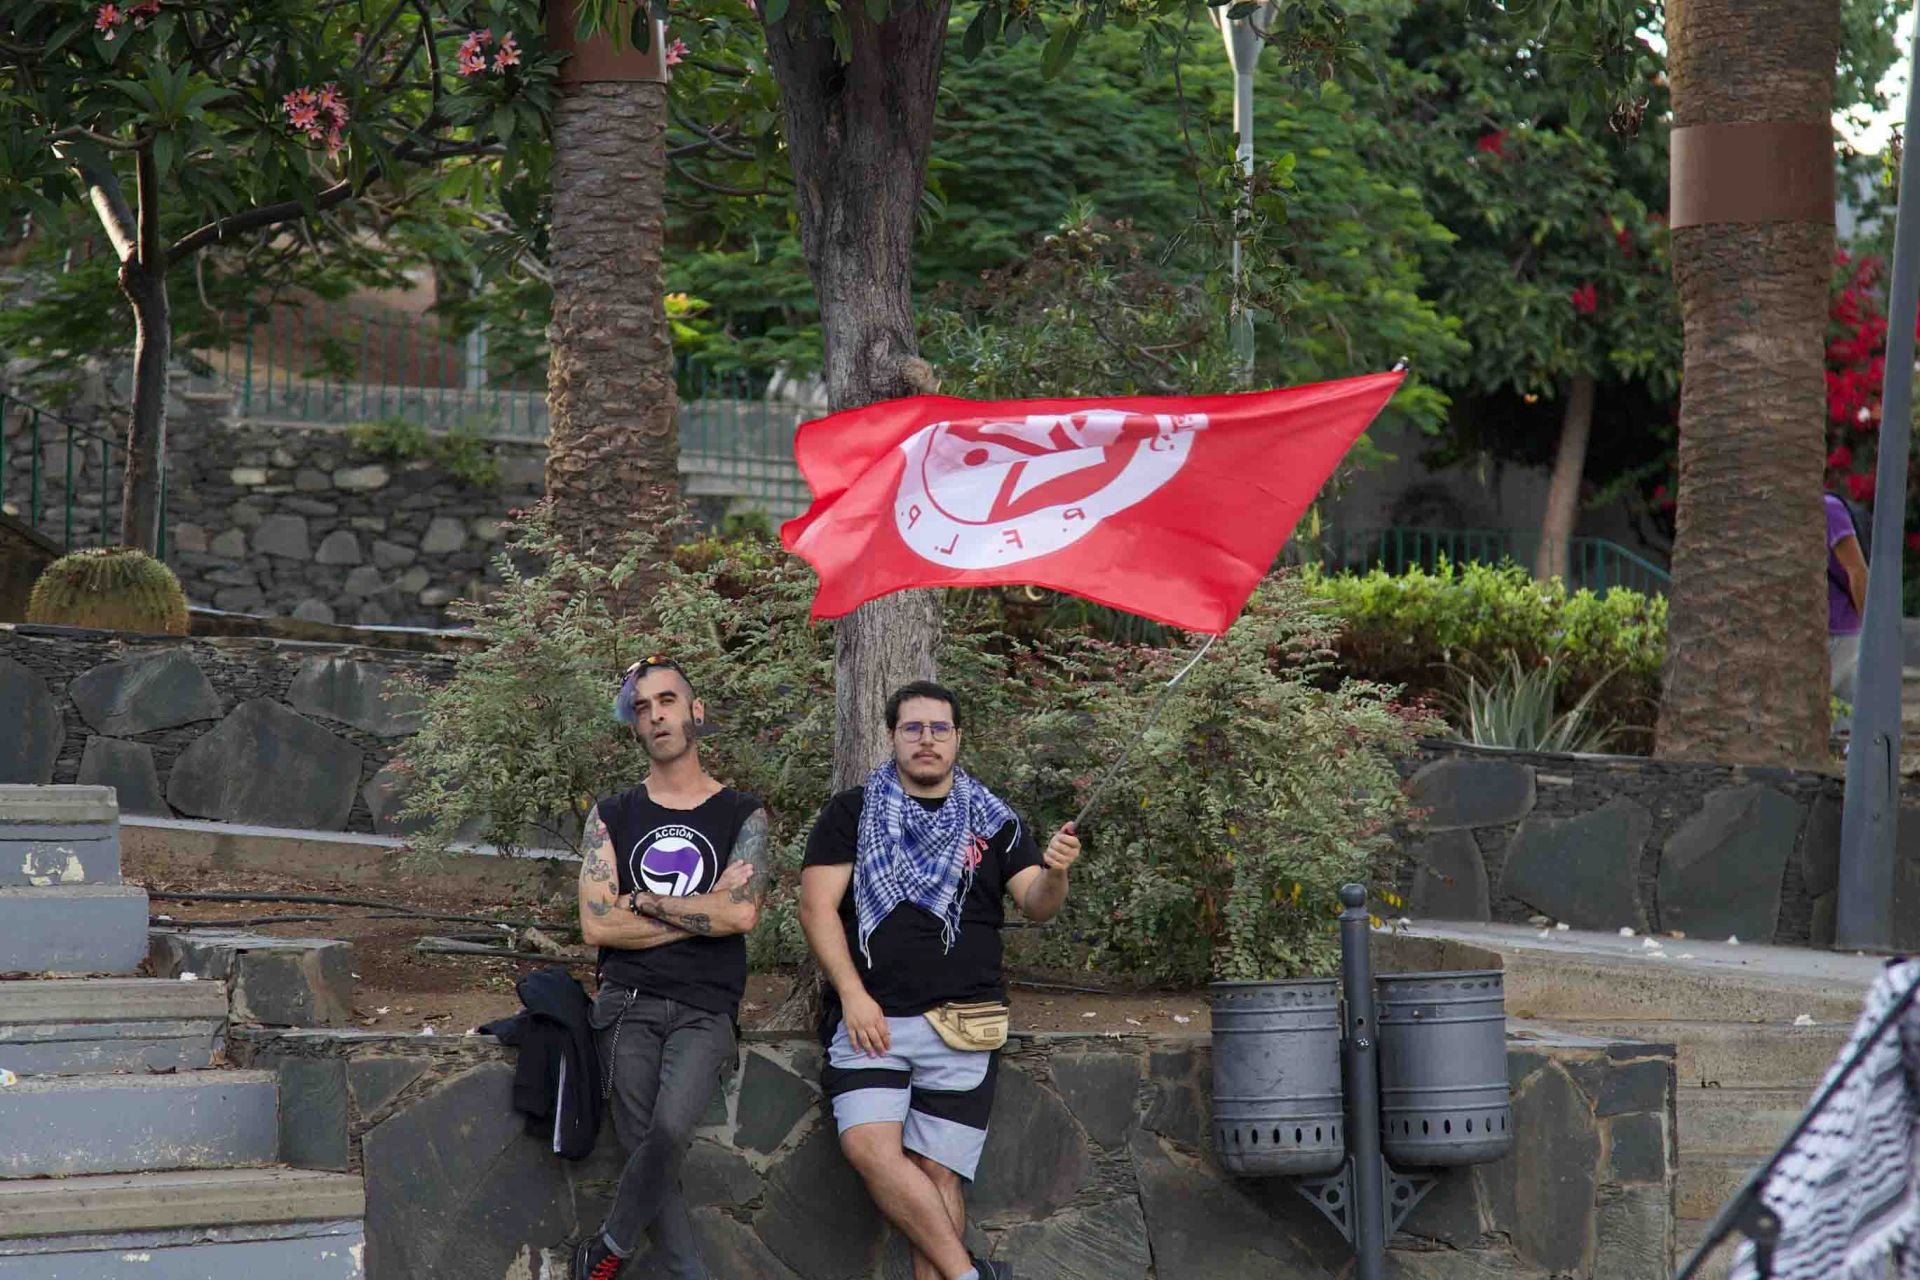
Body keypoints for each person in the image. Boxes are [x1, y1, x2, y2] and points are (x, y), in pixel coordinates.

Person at [799, 680, 1082, 1280]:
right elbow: (817, 908)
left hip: (965, 1023)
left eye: (939, 729)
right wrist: (853, 996)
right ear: (893, 736)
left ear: (957, 738)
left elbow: (1037, 903)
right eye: (913, 728)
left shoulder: (994, 819)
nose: (926, 740)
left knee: (937, 1176)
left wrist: (1055, 872)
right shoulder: (851, 812)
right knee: (869, 1147)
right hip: (872, 1020)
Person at [572, 656, 770, 1280]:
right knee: (642, 1146)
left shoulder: (743, 814)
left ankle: (608, 1246)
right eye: (641, 708)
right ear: (635, 726)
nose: (655, 715)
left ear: (695, 712)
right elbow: (597, 925)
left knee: (668, 1131)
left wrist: (646, 900)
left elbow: (741, 917)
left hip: (706, 1009)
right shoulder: (612, 814)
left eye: (666, 701)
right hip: (625, 1003)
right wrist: (698, 913)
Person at [1826, 492, 1870, 735]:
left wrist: (1869, 626)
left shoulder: (1828, 508)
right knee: (1845, 724)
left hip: (1838, 631)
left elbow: (1857, 571)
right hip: (1833, 630)